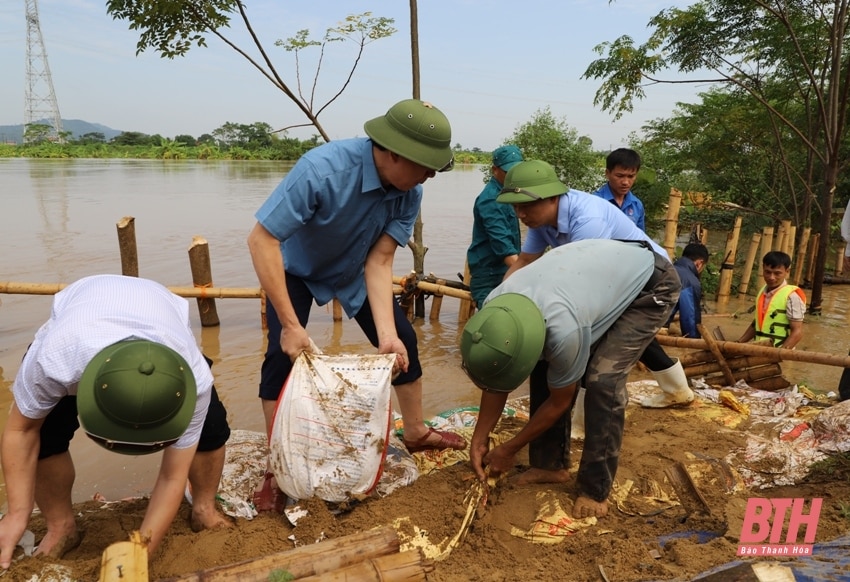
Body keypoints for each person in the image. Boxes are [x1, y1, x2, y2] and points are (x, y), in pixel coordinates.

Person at [246, 99, 466, 461]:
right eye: (426, 167)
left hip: (355, 269)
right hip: (297, 269)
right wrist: (289, 324)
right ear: (394, 153)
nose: (430, 176)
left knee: (403, 342)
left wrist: (388, 337)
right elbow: (262, 240)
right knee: (280, 356)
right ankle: (279, 458)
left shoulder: (411, 192)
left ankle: (415, 432)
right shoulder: (321, 170)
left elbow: (379, 261)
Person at [0, 275, 232, 569]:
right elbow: (21, 432)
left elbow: (173, 476)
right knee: (45, 437)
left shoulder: (193, 381)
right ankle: (61, 526)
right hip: (82, 321)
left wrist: (142, 551)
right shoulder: (54, 361)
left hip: (163, 327)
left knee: (212, 432)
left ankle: (203, 509)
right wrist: (16, 514)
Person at [461, 239, 681, 519]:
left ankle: (595, 488)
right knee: (541, 361)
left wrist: (510, 448)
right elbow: (497, 378)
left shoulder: (564, 329)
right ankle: (550, 465)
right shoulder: (496, 306)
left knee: (603, 380)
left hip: (651, 284)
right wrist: (480, 437)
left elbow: (560, 401)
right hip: (589, 278)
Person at [498, 159, 694, 409]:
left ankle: (579, 419)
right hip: (616, 273)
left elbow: (580, 284)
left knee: (592, 342)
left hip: (653, 278)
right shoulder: (541, 219)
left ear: (552, 198)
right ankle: (678, 390)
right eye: (516, 207)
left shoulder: (588, 218)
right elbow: (525, 260)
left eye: (525, 207)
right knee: (629, 336)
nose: (520, 215)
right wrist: (500, 299)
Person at [466, 145, 523, 307]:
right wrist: (528, 275)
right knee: (494, 324)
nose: (513, 176)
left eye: (516, 171)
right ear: (495, 170)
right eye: (508, 172)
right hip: (490, 275)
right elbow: (503, 245)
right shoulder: (491, 200)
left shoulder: (509, 194)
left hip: (506, 271)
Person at [737, 251, 806, 349]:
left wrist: (779, 355)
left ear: (787, 271)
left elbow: (797, 332)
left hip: (779, 353)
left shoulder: (792, 297)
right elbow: (757, 323)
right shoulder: (762, 291)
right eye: (768, 272)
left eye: (777, 273)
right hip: (759, 349)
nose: (771, 277)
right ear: (763, 269)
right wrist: (738, 343)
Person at [593, 148, 646, 231]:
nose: (625, 182)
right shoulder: (594, 202)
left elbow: (640, 239)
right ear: (607, 173)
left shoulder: (637, 205)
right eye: (619, 176)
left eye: (631, 176)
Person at [668, 243, 710, 339]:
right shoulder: (690, 281)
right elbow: (690, 317)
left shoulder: (667, 267)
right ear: (699, 263)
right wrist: (694, 340)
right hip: (653, 328)